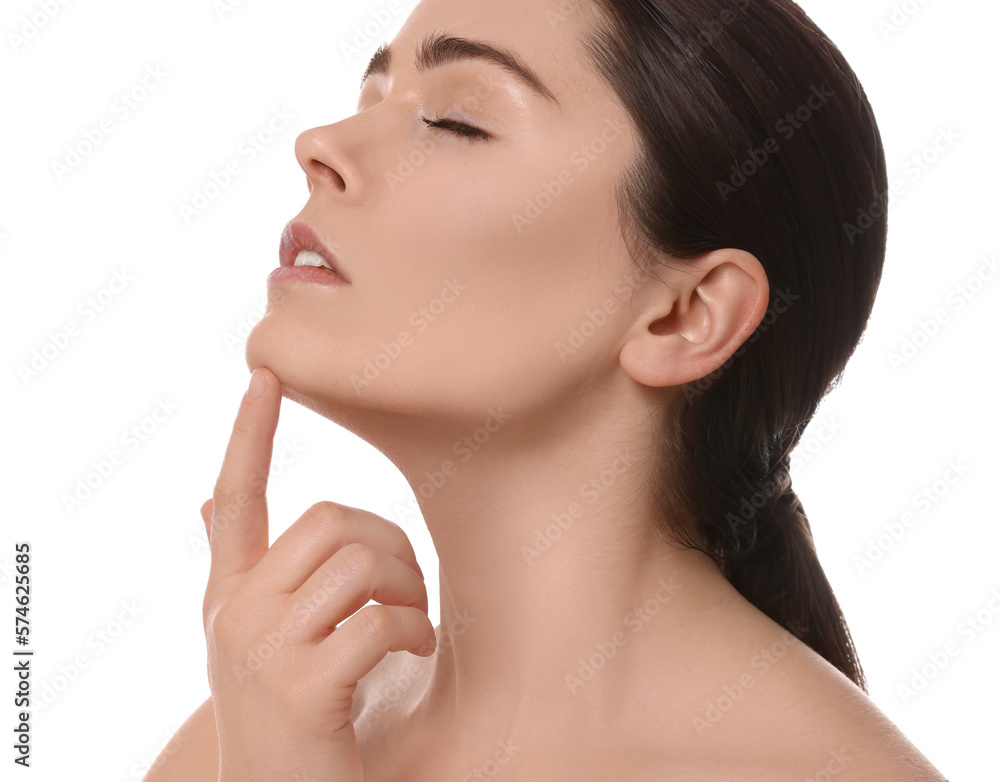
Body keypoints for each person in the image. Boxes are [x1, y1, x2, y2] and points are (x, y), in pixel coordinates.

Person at [145, 0, 949, 779]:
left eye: (456, 120)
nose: (317, 143)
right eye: (372, 98)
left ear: (685, 315)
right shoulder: (261, 720)